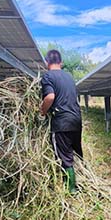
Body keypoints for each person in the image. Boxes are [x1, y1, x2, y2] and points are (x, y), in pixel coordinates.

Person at [40, 49, 83, 193]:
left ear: (47, 62)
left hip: (62, 123)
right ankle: (71, 179)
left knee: (63, 155)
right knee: (70, 152)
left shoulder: (47, 76)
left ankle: (71, 189)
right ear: (61, 62)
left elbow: (50, 97)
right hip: (76, 119)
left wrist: (42, 111)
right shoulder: (69, 77)